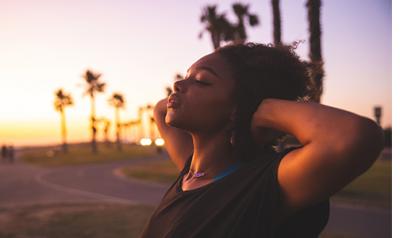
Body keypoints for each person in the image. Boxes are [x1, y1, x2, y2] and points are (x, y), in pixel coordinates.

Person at [139, 43, 384, 238]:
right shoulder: (192, 170)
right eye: (185, 76)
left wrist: (260, 109)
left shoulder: (267, 183)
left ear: (238, 108)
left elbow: (353, 136)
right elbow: (161, 110)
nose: (178, 84)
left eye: (202, 80)